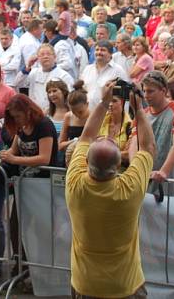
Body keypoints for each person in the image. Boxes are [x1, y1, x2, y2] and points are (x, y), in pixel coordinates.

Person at [65, 79, 154, 299]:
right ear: (117, 166)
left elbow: (86, 136)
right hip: (124, 285)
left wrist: (104, 102)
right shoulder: (129, 188)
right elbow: (148, 147)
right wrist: (139, 109)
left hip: (85, 284)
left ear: (86, 161)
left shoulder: (75, 184)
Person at [139, 71, 174, 196]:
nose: (146, 95)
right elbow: (135, 145)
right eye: (144, 91)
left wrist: (163, 171)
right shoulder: (141, 114)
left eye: (151, 91)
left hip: (173, 182)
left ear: (163, 91)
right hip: (147, 183)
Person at [79, 40, 128, 110]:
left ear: (111, 53)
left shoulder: (118, 70)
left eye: (103, 50)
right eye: (97, 50)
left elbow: (125, 94)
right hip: (88, 113)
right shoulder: (87, 69)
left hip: (108, 114)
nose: (99, 52)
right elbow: (82, 90)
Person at [27, 43, 74, 112]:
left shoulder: (64, 76)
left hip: (55, 114)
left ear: (55, 57)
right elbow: (18, 83)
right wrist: (28, 66)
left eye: (48, 54)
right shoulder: (33, 73)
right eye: (42, 55)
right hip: (35, 114)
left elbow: (70, 98)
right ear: (38, 58)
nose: (45, 57)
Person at [59, 83, 90, 154]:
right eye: (73, 112)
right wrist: (75, 141)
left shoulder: (94, 117)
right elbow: (60, 145)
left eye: (80, 112)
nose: (77, 115)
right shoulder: (68, 116)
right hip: (71, 156)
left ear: (87, 104)